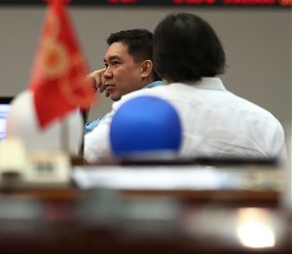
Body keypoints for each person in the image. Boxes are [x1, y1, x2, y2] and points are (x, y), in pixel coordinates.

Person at [84, 12, 287, 164]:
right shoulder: (265, 123)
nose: (108, 71)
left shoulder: (134, 108)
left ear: (157, 61)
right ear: (218, 55)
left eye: (115, 63)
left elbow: (81, 156)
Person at [84, 29, 163, 133]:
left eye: (115, 63)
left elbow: (75, 141)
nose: (106, 73)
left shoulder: (133, 112)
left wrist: (84, 90)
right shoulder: (170, 100)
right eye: (106, 65)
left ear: (145, 69)